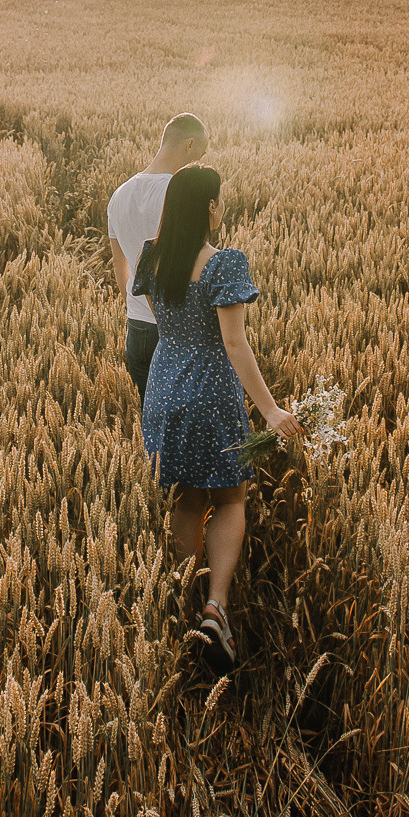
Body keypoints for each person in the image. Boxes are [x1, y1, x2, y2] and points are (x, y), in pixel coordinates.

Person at [132, 164, 301, 674]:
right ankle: (216, 608)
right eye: (219, 201)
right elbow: (232, 342)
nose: (222, 208)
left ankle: (183, 608)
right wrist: (270, 410)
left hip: (164, 383)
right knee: (230, 496)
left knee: (187, 494)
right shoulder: (224, 265)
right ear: (209, 208)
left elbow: (165, 324)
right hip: (209, 389)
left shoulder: (152, 256)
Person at [107, 114, 208, 404]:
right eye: (201, 150)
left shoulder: (119, 195)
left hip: (136, 328)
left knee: (149, 421)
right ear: (189, 143)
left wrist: (137, 305)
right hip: (176, 331)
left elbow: (120, 266)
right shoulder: (181, 195)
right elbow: (196, 266)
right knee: (181, 427)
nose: (200, 158)